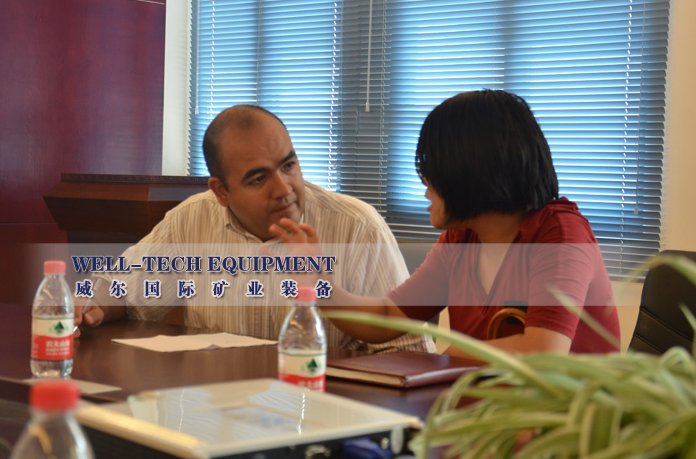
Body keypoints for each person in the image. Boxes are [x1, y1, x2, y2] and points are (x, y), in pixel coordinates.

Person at [270, 90, 620, 360]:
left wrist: (451, 357)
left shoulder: (559, 234)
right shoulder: (461, 241)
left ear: (470, 171)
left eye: (432, 169)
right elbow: (388, 316)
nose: (423, 183)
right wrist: (320, 284)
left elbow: (543, 351)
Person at [75, 105, 434, 353]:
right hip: (217, 415)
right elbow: (124, 286)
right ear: (221, 191)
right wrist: (91, 303)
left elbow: (409, 353)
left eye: (289, 165)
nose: (284, 188)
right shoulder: (191, 220)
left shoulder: (357, 228)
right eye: (258, 178)